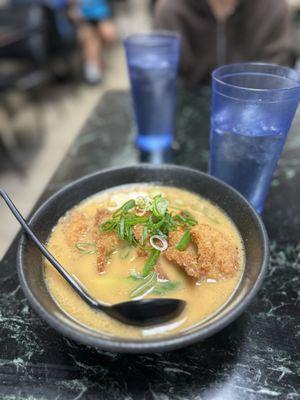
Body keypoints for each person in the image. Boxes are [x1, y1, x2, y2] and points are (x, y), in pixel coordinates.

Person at [154, 0, 294, 87]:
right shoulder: (172, 9)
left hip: (253, 114)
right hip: (187, 118)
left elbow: (278, 77)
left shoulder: (272, 7)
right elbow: (168, 82)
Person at [69, 0, 117, 84]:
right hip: (83, 16)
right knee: (88, 38)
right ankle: (92, 68)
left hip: (101, 13)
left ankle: (96, 64)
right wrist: (73, 8)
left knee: (108, 35)